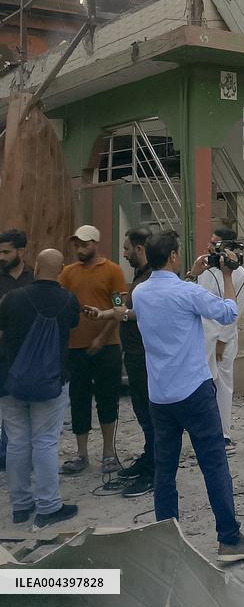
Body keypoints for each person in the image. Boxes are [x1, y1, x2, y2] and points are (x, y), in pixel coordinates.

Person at [132, 229, 244, 563]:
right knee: (214, 464)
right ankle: (229, 539)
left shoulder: (139, 294)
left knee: (165, 470)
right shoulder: (188, 292)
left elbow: (168, 292)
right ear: (174, 256)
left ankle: (167, 540)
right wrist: (229, 274)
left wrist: (191, 274)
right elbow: (229, 313)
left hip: (160, 395)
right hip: (194, 390)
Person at [0, 249, 80, 529]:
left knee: (17, 442)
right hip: (50, 382)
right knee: (45, 441)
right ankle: (48, 506)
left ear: (35, 269)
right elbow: (73, 324)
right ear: (59, 270)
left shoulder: (11, 298)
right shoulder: (67, 300)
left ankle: (21, 506)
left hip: (10, 381)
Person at [84, 227, 154, 498]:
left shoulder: (151, 279)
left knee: (150, 416)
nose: (123, 254)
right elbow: (126, 309)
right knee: (142, 413)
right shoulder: (139, 277)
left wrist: (121, 314)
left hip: (146, 358)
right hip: (136, 357)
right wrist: (106, 313)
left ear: (139, 248)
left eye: (127, 249)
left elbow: (140, 313)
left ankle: (154, 471)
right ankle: (149, 459)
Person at [59, 225, 127, 475]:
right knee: (78, 400)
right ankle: (81, 453)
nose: (80, 249)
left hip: (106, 346)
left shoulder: (113, 271)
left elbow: (119, 308)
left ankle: (108, 452)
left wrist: (102, 337)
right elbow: (61, 304)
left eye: (85, 244)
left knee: (108, 398)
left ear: (95, 244)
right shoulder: (67, 273)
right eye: (77, 244)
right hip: (75, 347)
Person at [195, 228, 244, 453]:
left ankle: (223, 433)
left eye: (216, 243)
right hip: (203, 335)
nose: (210, 247)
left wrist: (222, 341)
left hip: (224, 338)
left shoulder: (240, 274)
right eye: (210, 242)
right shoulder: (205, 269)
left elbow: (236, 310)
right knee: (204, 383)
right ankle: (205, 430)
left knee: (223, 384)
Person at [0, 229, 34, 472]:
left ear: (21, 251)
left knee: (29, 410)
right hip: (3, 355)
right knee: (9, 410)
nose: (1, 256)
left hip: (29, 354)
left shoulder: (34, 277)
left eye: (6, 251)